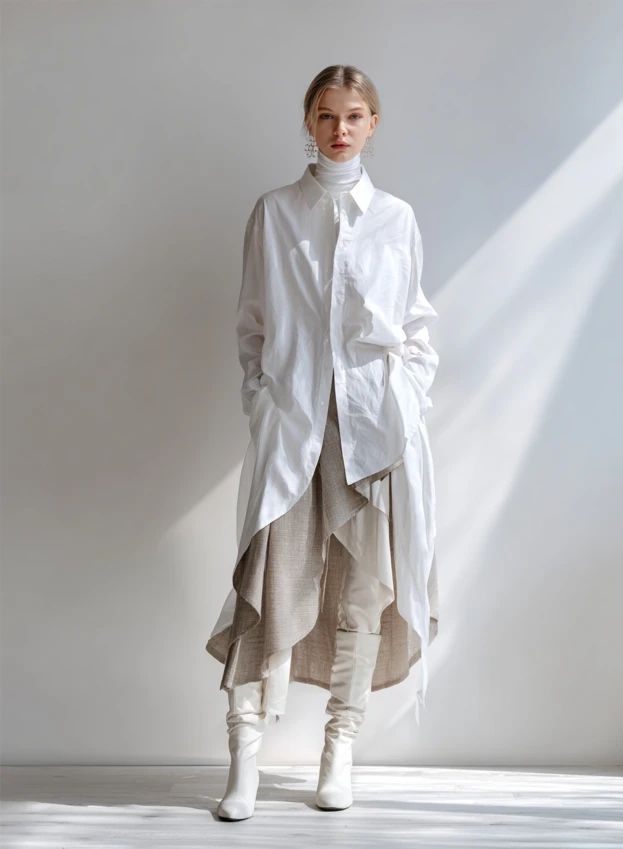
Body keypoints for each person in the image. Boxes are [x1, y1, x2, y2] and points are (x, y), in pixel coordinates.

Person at [206, 64, 440, 822]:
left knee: (365, 592)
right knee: (268, 583)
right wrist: (263, 400)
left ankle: (340, 750)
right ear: (308, 121)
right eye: (327, 114)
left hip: (374, 432)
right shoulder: (275, 212)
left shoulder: (396, 218)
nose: (341, 128)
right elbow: (252, 325)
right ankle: (243, 758)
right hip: (295, 426)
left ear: (373, 123)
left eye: (355, 115)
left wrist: (407, 399)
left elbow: (415, 328)